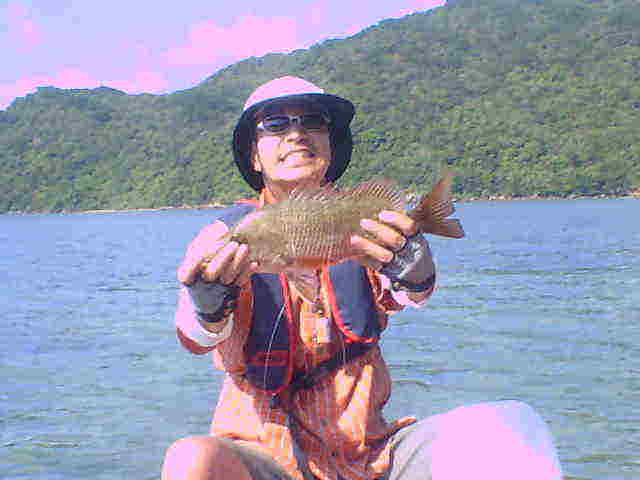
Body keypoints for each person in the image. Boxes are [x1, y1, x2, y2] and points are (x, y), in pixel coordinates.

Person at [162, 77, 563, 480]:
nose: (297, 134)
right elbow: (194, 337)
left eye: (313, 121)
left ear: (331, 144)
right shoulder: (221, 238)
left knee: (512, 426)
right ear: (253, 156)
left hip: (372, 454)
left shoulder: (366, 220)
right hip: (262, 456)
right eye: (276, 125)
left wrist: (416, 270)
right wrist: (208, 305)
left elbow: (411, 295)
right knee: (191, 460)